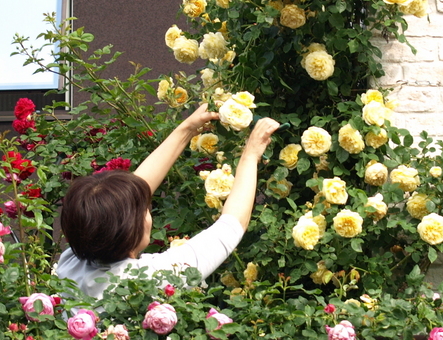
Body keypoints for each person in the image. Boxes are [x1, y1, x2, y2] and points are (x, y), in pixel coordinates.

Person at [56, 104, 279, 301]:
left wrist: (187, 129)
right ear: (129, 228)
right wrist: (251, 154)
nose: (147, 210)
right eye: (144, 210)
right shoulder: (152, 279)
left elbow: (129, 196)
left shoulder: (70, 265)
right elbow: (230, 226)